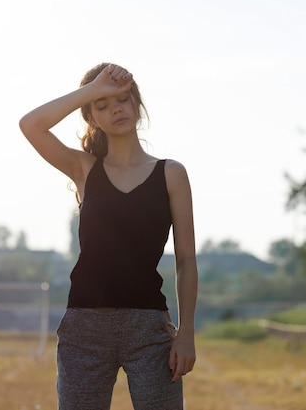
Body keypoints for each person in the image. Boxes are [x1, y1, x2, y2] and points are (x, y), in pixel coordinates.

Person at [19, 63, 198, 410]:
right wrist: (90, 90)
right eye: (103, 105)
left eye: (122, 99)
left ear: (137, 105)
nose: (116, 108)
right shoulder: (84, 169)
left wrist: (187, 332)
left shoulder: (171, 174)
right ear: (91, 117)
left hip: (148, 330)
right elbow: (31, 125)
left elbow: (187, 259)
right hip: (84, 328)